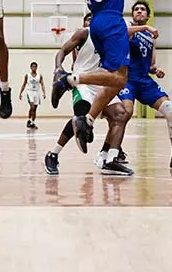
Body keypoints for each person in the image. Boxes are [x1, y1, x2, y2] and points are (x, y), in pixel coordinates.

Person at [51, 0, 162, 147]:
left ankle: (88, 120)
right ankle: (71, 79)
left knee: (114, 81)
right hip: (113, 23)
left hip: (97, 23)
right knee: (120, 78)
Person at [45, 12, 133, 176]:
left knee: (121, 114)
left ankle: (111, 160)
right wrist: (58, 68)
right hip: (83, 83)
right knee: (80, 118)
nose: (93, 22)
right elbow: (62, 51)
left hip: (103, 82)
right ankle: (53, 154)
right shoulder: (84, 33)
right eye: (89, 20)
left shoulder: (111, 37)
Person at [118, 0, 172, 171]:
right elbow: (125, 34)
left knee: (171, 111)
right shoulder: (128, 27)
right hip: (127, 78)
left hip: (144, 80)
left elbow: (151, 64)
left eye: (142, 10)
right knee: (125, 112)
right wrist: (145, 28)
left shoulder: (151, 37)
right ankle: (115, 149)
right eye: (136, 9)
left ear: (148, 15)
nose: (139, 12)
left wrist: (156, 70)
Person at [19, 62, 45, 130]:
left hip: (36, 92)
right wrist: (20, 93)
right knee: (32, 106)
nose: (34, 68)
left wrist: (44, 93)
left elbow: (42, 84)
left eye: (35, 67)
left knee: (35, 109)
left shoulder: (39, 76)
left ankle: (32, 122)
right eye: (32, 67)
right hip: (30, 92)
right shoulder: (27, 75)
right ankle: (29, 119)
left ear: (37, 67)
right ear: (30, 67)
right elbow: (24, 84)